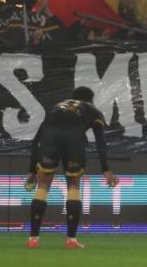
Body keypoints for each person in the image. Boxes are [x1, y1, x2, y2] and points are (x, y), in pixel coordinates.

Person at [25, 87, 119, 249]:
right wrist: (106, 169)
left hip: (50, 138)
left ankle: (33, 239)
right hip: (74, 139)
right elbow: (100, 143)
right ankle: (71, 240)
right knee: (74, 185)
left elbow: (36, 140)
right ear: (90, 100)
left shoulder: (57, 107)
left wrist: (32, 170)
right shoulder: (93, 110)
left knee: (43, 185)